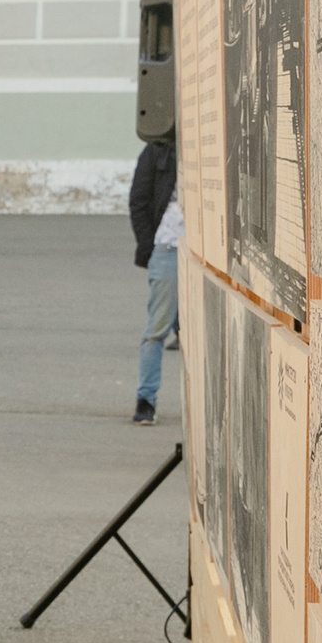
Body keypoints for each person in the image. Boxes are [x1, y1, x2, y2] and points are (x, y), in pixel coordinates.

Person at [130, 133, 182, 425]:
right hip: (167, 248)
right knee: (156, 330)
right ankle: (146, 399)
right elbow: (138, 200)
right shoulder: (157, 151)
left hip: (211, 249)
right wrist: (149, 247)